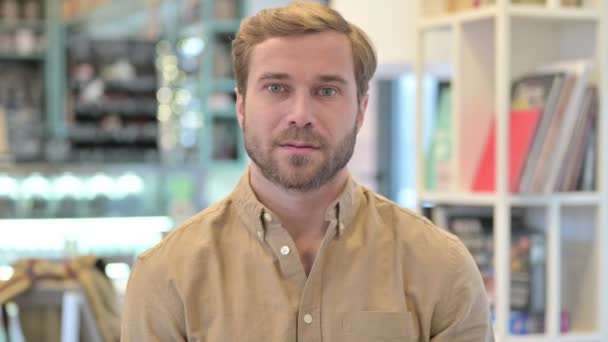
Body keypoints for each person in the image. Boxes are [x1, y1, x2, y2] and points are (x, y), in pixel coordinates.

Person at [121, 2, 494, 341]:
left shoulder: (440, 267)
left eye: (327, 91)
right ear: (242, 105)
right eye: (276, 87)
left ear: (361, 110)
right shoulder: (166, 276)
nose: (301, 113)